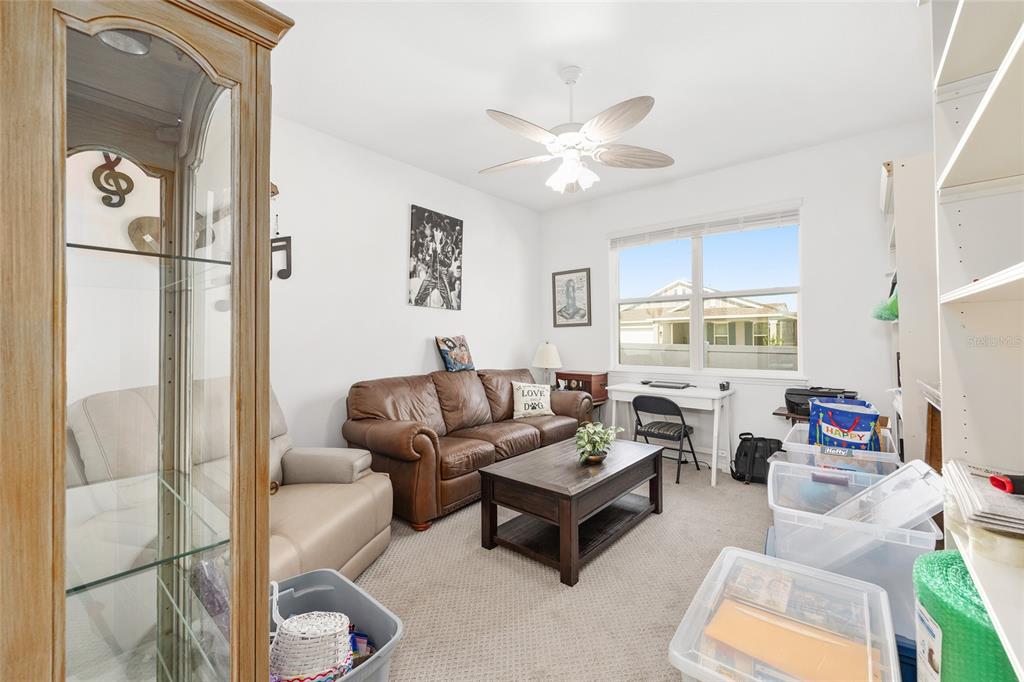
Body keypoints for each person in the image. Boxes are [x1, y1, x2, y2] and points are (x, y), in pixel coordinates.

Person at [413, 214, 456, 309]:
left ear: (442, 231)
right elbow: (424, 260)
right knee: (418, 300)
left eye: (438, 231)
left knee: (449, 304)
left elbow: (448, 263)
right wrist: (428, 254)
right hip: (430, 276)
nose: (436, 233)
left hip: (442, 277)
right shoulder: (428, 241)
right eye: (435, 230)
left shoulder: (447, 244)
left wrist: (439, 252)